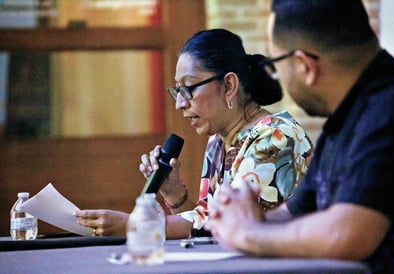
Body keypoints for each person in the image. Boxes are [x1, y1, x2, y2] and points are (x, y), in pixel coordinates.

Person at [206, 1, 394, 274]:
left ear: (305, 66)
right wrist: (244, 212)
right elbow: (297, 213)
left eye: (275, 64)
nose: (276, 76)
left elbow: (347, 234)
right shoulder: (347, 117)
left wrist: (247, 233)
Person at [75, 28, 313, 239]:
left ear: (229, 86)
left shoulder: (275, 137)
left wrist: (136, 226)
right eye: (178, 90)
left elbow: (234, 226)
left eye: (188, 88)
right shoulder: (218, 142)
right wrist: (174, 192)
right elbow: (204, 228)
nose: (180, 103)